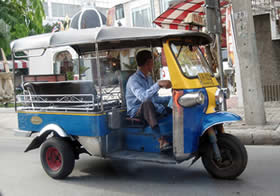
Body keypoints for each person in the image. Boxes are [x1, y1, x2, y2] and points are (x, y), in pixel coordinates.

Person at [126, 50, 172, 151]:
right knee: (147, 103)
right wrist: (158, 84)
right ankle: (161, 140)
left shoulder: (149, 78)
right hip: (136, 111)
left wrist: (171, 98)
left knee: (170, 108)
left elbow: (155, 98)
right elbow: (143, 97)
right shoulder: (133, 80)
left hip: (149, 107)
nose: (153, 65)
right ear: (148, 63)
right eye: (152, 62)